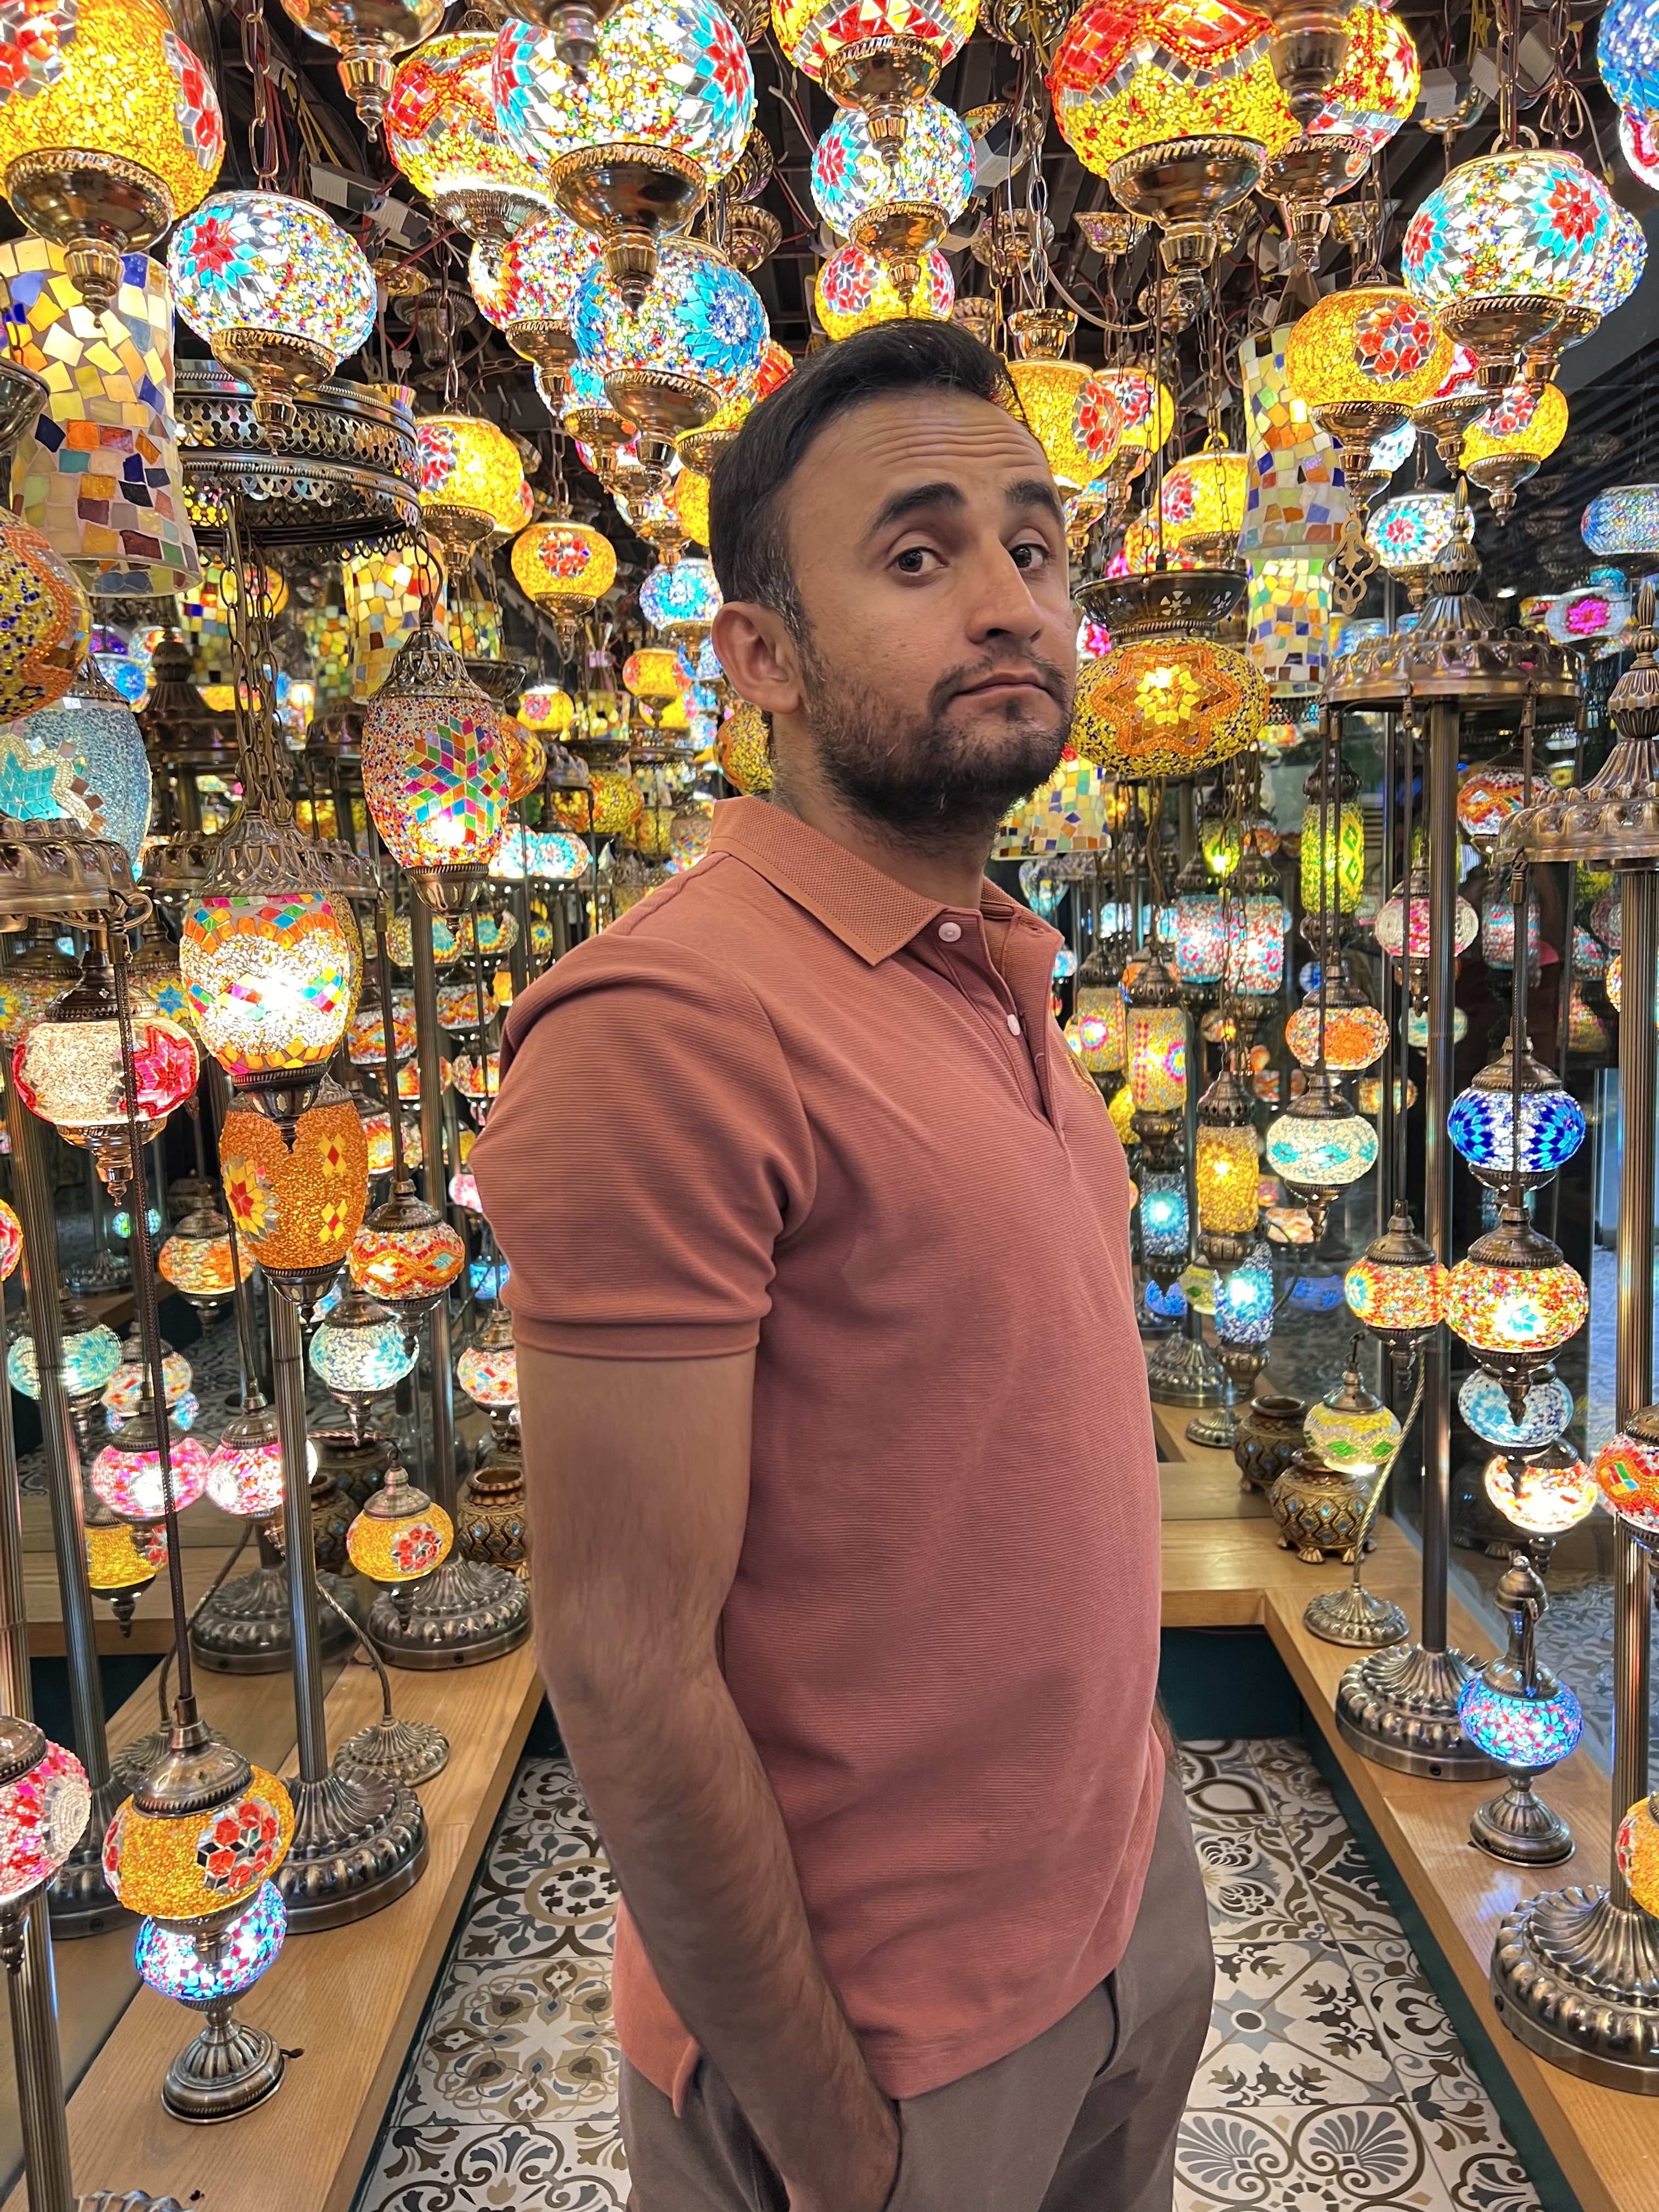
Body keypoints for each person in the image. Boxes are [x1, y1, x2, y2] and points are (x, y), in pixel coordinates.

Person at [470, 320, 1214, 2212]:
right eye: (918, 553)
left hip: (1120, 1914)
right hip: (886, 2048)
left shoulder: (990, 963)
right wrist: (829, 2129)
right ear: (763, 659)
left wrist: (1139, 1833)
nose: (1010, 601)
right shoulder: (670, 1025)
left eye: (1033, 547)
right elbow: (623, 1669)